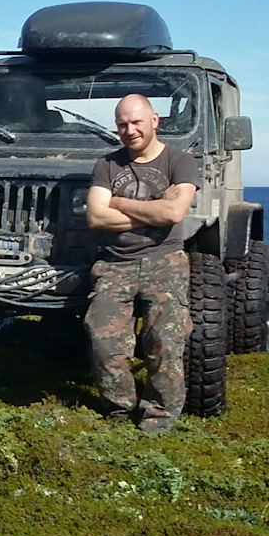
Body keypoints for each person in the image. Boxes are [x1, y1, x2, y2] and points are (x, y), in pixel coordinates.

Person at [84, 93, 199, 433]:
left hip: (164, 260)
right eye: (122, 124)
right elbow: (95, 217)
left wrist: (118, 203)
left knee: (164, 340)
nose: (129, 130)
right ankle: (119, 410)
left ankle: (159, 418)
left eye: (136, 122)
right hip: (114, 263)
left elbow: (174, 212)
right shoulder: (107, 165)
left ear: (154, 121)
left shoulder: (180, 162)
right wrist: (152, 214)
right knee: (103, 340)